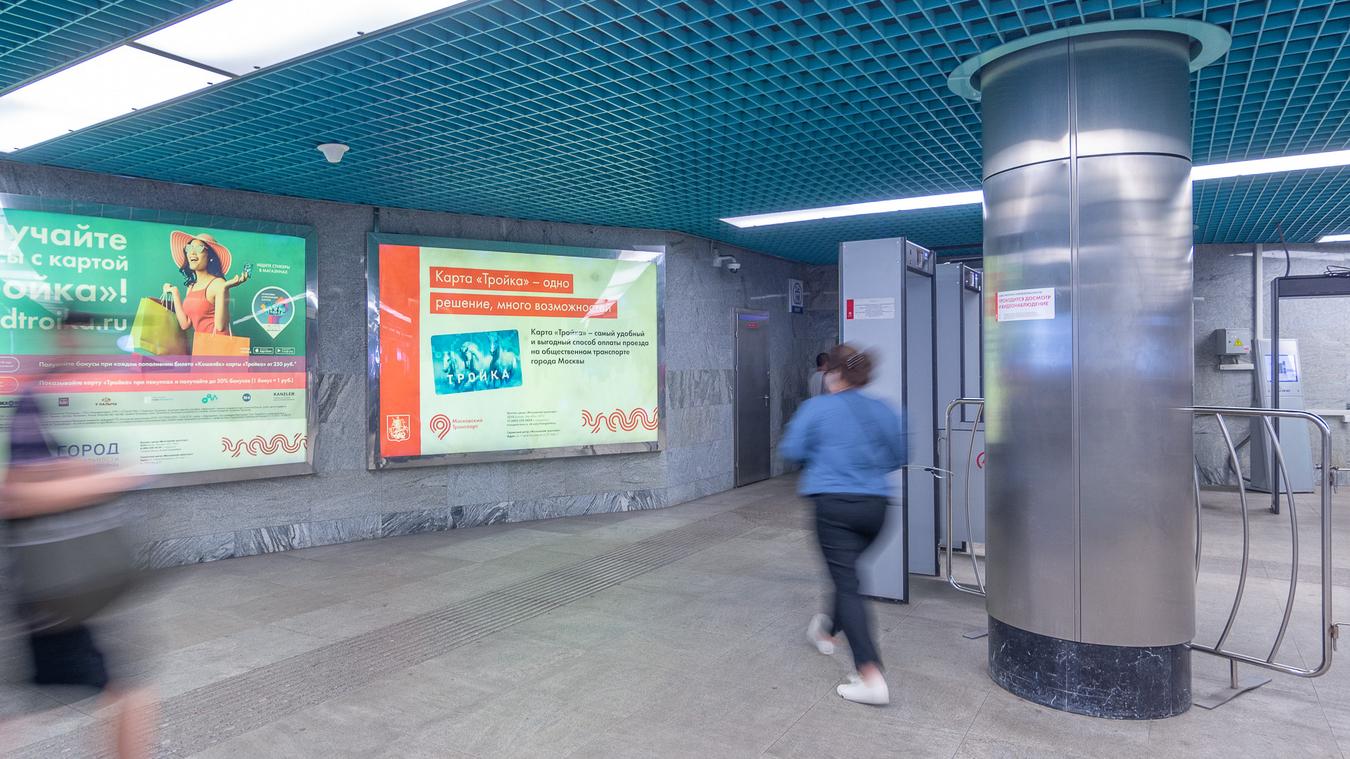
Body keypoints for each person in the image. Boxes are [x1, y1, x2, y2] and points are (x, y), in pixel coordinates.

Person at [1, 311, 154, 758]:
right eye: (80, 339)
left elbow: (37, 473)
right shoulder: (34, 398)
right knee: (129, 690)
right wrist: (111, 480)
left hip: (63, 583)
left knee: (125, 689)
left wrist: (79, 469)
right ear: (63, 339)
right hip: (50, 587)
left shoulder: (56, 395)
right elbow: (17, 495)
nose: (88, 349)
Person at [780, 343, 906, 706]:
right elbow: (898, 455)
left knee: (848, 584)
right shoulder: (883, 409)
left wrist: (826, 456)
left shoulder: (817, 408)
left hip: (834, 508)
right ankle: (827, 629)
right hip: (876, 510)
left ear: (832, 374)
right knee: (846, 575)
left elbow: (792, 450)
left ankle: (871, 675)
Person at [161, 231, 249, 337]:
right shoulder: (191, 286)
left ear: (210, 256)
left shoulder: (218, 283)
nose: (192, 252)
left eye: (199, 248)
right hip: (202, 344)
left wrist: (223, 289)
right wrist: (175, 292)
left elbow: (220, 327)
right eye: (189, 248)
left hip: (218, 344)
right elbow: (185, 324)